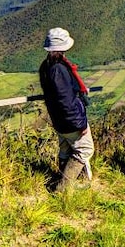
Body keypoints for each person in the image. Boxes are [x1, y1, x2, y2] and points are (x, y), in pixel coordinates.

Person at [39, 27, 94, 191]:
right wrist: (81, 123)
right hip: (69, 120)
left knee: (65, 149)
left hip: (58, 119)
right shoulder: (59, 69)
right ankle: (63, 188)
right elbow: (66, 101)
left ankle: (61, 180)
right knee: (85, 149)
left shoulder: (46, 67)